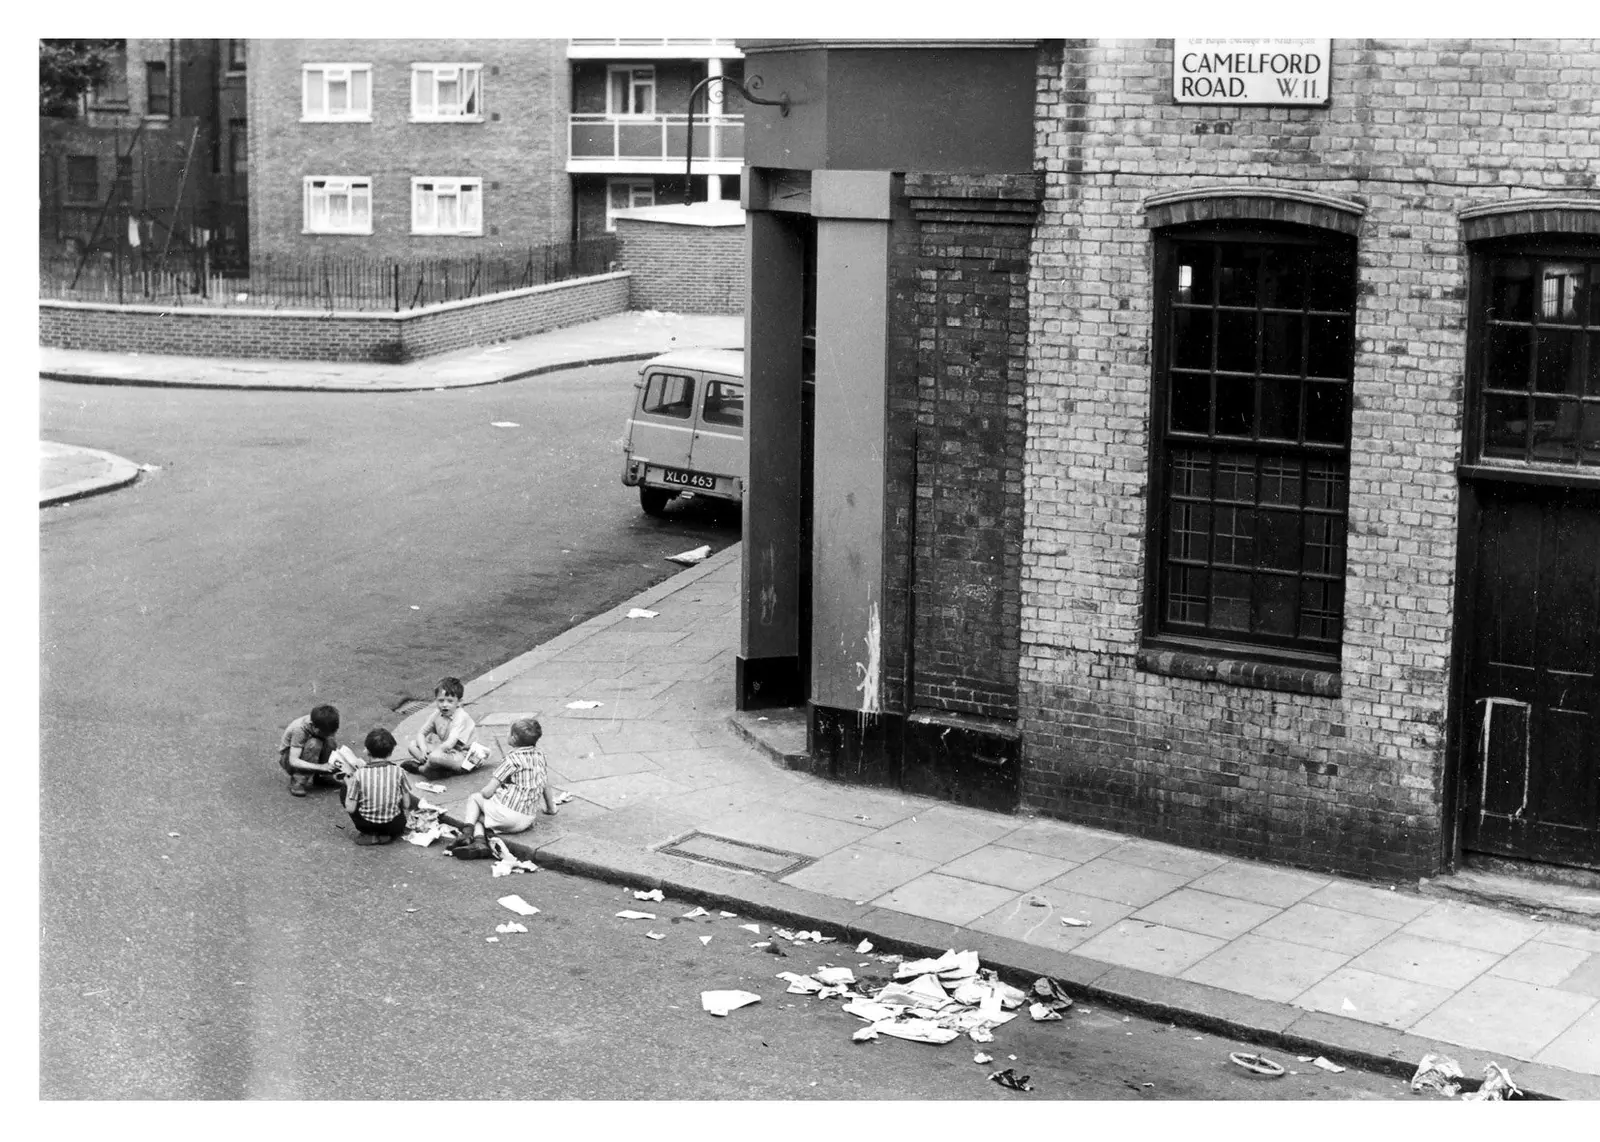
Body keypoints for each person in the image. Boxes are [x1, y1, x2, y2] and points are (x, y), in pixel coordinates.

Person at [448, 717, 557, 858]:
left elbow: (487, 793)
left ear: (514, 738)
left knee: (475, 799)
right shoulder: (540, 755)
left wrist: (485, 791)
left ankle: (466, 832)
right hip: (526, 819)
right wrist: (550, 808)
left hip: (508, 816)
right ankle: (479, 843)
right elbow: (545, 784)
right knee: (481, 817)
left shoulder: (511, 760)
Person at [342, 728, 418, 846]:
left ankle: (370, 835)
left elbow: (350, 808)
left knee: (345, 788)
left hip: (368, 824)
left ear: (367, 751)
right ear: (391, 752)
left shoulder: (359, 774)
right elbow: (406, 804)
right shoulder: (399, 771)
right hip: (394, 826)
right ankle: (386, 835)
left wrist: (349, 784)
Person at [404, 677, 486, 775]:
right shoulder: (436, 714)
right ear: (436, 700)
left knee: (435, 757)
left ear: (459, 702)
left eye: (450, 701)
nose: (444, 705)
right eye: (441, 700)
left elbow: (450, 743)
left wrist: (434, 754)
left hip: (463, 756)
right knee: (412, 745)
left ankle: (423, 769)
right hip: (446, 752)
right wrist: (423, 749)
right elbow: (421, 733)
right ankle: (437, 768)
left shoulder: (460, 717)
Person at [278, 704, 343, 797]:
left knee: (330, 741)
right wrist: (321, 767)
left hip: (308, 753)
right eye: (324, 733)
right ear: (313, 726)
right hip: (289, 759)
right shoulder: (299, 730)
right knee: (314, 744)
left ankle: (321, 777)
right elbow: (293, 760)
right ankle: (298, 781)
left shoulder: (324, 723)